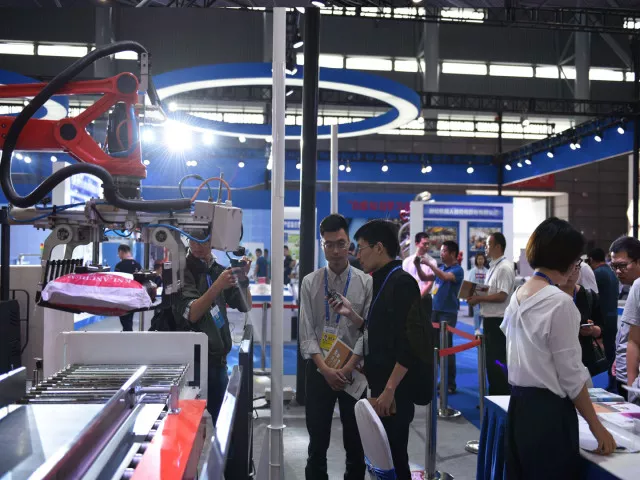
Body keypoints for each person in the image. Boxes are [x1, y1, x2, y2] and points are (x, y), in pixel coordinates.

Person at [501, 218, 615, 479]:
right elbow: (571, 375)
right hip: (549, 414)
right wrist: (597, 427)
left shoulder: (518, 295)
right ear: (568, 259)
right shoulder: (560, 303)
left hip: (519, 408)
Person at [299, 214, 372, 480]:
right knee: (317, 443)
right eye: (329, 244)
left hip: (355, 371)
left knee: (356, 443)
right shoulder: (310, 282)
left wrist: (348, 366)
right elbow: (306, 332)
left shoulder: (365, 282)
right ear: (322, 245)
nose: (336, 251)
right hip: (320, 371)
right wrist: (326, 370)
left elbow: (368, 330)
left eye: (341, 243)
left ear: (349, 243)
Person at [351, 219, 421, 480]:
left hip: (395, 391)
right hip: (381, 385)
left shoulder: (402, 282)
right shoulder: (380, 281)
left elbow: (410, 343)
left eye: (361, 248)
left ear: (379, 247)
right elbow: (382, 331)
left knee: (395, 458)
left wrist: (390, 390)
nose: (358, 255)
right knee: (383, 458)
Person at [174, 230, 252, 423]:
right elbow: (191, 313)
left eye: (203, 241)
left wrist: (243, 279)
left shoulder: (218, 270)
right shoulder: (181, 270)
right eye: (193, 241)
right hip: (191, 363)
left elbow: (245, 305)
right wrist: (217, 286)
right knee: (188, 424)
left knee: (226, 423)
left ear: (213, 241)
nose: (198, 246)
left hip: (218, 360)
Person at [468, 232, 514, 396]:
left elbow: (502, 295)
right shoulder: (493, 267)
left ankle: (501, 395)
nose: (485, 248)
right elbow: (491, 291)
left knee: (497, 361)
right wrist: (476, 295)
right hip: (490, 320)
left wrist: (480, 298)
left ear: (498, 246)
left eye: (488, 245)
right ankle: (495, 394)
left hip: (498, 321)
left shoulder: (504, 268)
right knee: (491, 361)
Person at [420, 240, 463, 394]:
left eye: (444, 251)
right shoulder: (442, 268)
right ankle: (441, 379)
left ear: (453, 254)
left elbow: (444, 277)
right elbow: (424, 278)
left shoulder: (457, 270)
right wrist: (418, 266)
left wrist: (430, 264)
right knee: (436, 347)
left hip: (448, 313)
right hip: (435, 311)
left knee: (447, 347)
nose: (441, 254)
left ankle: (450, 383)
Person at [558, 259, 606, 376]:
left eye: (575, 268)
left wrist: (592, 329)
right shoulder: (548, 296)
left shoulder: (588, 296)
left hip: (586, 358)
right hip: (557, 359)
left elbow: (602, 329)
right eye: (565, 269)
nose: (570, 273)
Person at [610, 236, 640, 402]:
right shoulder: (635, 287)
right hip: (626, 375)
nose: (618, 271)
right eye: (614, 266)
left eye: (622, 266)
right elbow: (631, 338)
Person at [587, 247, 620, 390]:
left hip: (603, 319)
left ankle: (609, 385)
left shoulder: (597, 273)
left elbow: (592, 298)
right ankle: (612, 385)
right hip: (612, 317)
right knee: (611, 354)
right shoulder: (611, 272)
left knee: (604, 355)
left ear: (591, 260)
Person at [402, 232, 434, 315]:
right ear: (417, 244)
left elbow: (429, 283)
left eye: (428, 244)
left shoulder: (432, 262)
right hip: (409, 298)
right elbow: (404, 281)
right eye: (424, 244)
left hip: (425, 299)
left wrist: (418, 298)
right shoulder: (407, 261)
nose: (427, 246)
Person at [114, 244, 142, 331]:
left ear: (121, 252)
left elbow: (116, 282)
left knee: (125, 319)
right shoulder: (138, 265)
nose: (119, 255)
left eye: (118, 253)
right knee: (129, 318)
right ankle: (128, 332)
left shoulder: (119, 266)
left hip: (122, 296)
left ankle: (128, 333)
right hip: (134, 295)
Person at [466, 252, 488, 335]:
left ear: (484, 260)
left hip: (484, 295)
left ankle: (480, 327)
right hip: (475, 295)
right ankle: (477, 329)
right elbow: (469, 282)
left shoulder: (487, 271)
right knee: (476, 311)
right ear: (476, 260)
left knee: (482, 312)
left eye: (482, 259)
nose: (480, 260)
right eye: (479, 259)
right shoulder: (472, 271)